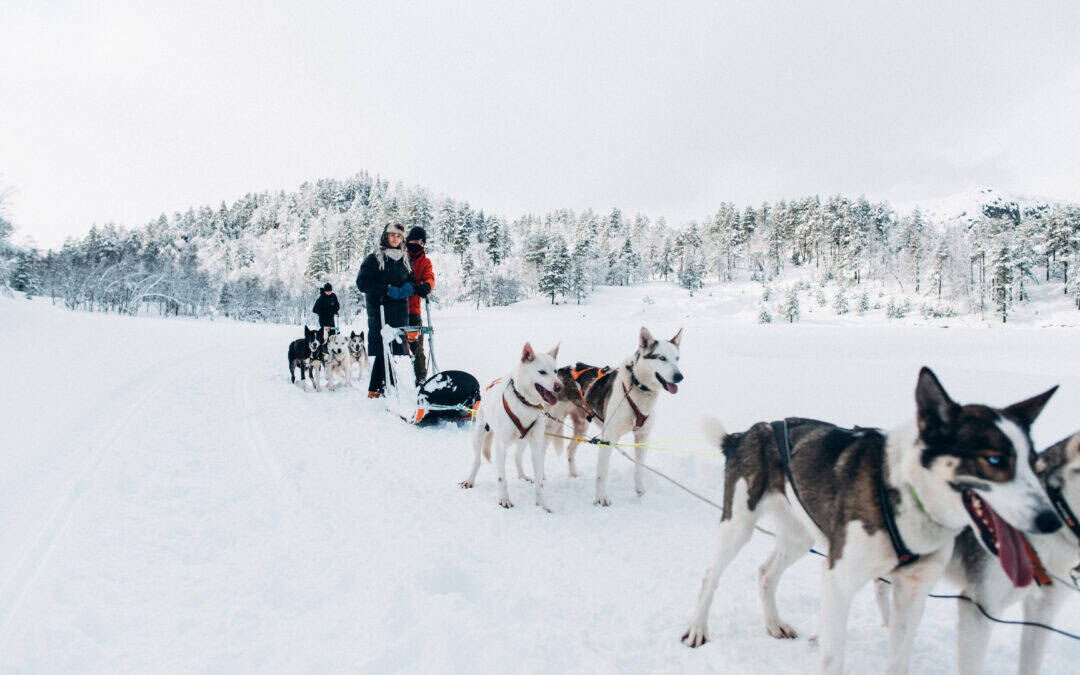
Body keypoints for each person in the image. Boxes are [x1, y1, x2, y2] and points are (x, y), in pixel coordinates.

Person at [356, 222, 414, 398]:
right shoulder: (374, 258)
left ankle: (385, 387)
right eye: (392, 235)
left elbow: (411, 279)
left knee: (392, 349)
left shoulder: (405, 259)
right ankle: (378, 389)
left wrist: (407, 288)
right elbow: (362, 283)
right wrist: (385, 289)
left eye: (399, 236)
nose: (395, 239)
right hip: (380, 309)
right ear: (385, 236)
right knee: (383, 349)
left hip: (400, 310)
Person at [405, 226, 434, 385]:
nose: (418, 243)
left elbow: (429, 277)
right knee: (395, 347)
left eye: (421, 241)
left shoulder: (425, 261)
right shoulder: (400, 256)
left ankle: (421, 379)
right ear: (408, 240)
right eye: (415, 240)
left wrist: (427, 286)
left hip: (414, 311)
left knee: (418, 348)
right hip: (397, 310)